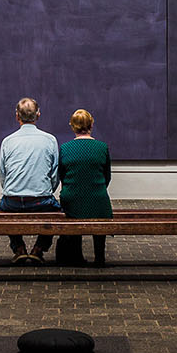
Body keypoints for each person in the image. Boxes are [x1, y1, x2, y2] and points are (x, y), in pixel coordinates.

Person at [0, 96, 61, 262]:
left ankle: (19, 248)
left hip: (12, 201)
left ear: (17, 116)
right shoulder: (50, 140)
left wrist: (13, 189)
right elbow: (55, 174)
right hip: (41, 201)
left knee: (4, 208)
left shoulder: (7, 142)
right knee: (57, 212)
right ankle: (38, 249)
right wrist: (46, 190)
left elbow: (3, 175)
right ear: (38, 115)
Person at [55, 107, 112, 265]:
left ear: (72, 126)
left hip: (72, 199)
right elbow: (107, 176)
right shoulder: (102, 147)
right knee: (99, 211)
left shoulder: (65, 148)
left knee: (73, 212)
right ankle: (99, 257)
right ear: (91, 124)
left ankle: (76, 255)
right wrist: (95, 188)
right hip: (98, 199)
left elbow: (62, 176)